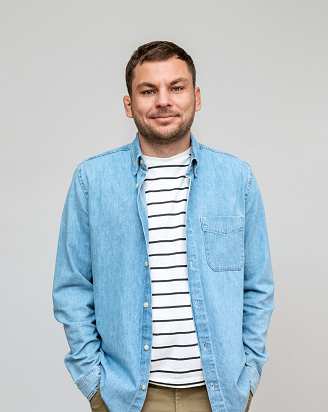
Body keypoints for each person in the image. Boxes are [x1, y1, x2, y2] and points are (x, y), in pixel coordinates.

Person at [53, 40, 274, 412]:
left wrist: (247, 377)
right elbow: (72, 287)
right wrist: (95, 386)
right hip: (128, 397)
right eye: (148, 90)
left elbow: (257, 287)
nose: (163, 101)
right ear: (129, 104)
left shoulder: (237, 179)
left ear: (196, 97)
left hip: (219, 395)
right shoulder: (92, 180)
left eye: (176, 87)